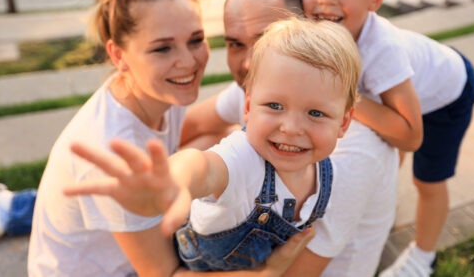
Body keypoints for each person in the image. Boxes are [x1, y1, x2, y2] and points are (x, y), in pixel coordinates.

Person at [27, 0, 312, 277]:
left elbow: (210, 131)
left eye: (195, 40)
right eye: (162, 48)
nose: (188, 62)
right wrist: (269, 272)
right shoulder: (111, 146)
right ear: (118, 55)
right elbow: (164, 274)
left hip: (137, 240)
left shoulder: (156, 95)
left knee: (228, 138)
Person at [64, 17, 361, 275]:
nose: (292, 128)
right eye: (274, 105)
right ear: (247, 107)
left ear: (344, 123)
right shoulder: (243, 159)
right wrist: (174, 181)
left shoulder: (328, 176)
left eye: (316, 113)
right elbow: (203, 167)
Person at [182, 0, 399, 276]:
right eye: (234, 44)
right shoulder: (270, 79)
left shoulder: (347, 155)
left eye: (262, 39)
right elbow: (190, 132)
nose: (246, 63)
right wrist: (164, 179)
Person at [299, 0, 474, 276]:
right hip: (410, 86)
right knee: (385, 144)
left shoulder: (381, 51)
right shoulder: (321, 30)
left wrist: (345, 92)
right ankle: (382, 207)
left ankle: (423, 259)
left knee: (428, 181)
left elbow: (410, 135)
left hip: (449, 93)